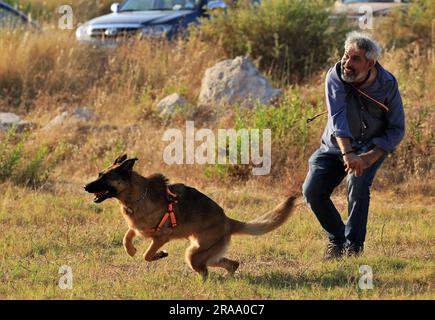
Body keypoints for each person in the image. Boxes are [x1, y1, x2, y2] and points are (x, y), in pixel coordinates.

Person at [302, 32, 405, 259]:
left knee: (357, 185)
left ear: (370, 63)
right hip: (334, 144)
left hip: (369, 147)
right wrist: (347, 152)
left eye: (355, 59)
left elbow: (397, 128)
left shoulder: (387, 84)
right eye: (345, 56)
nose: (347, 63)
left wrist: (369, 157)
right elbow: (337, 117)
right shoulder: (336, 75)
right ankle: (338, 239)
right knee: (312, 191)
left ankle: (353, 248)